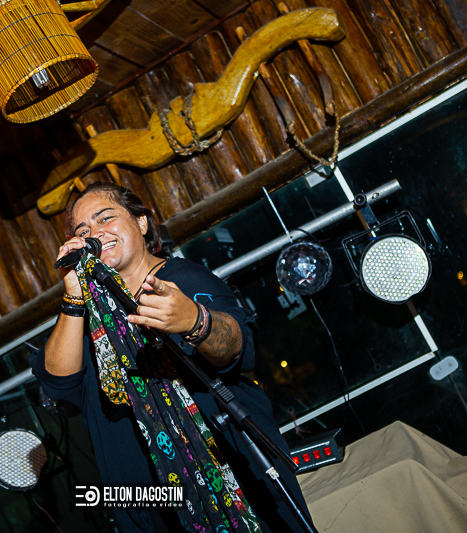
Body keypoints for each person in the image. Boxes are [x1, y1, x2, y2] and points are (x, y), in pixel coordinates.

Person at [30, 182, 311, 533]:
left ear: (141, 223)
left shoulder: (181, 277)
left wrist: (195, 320)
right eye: (83, 231)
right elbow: (59, 384)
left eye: (105, 218)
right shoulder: (90, 316)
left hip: (232, 474)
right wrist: (74, 296)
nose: (94, 234)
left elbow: (236, 346)